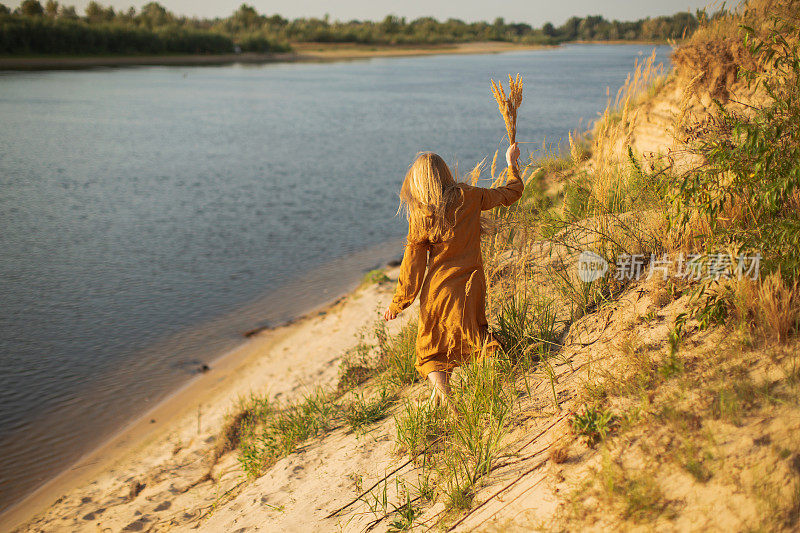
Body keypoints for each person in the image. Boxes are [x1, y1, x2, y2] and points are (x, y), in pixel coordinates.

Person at [384, 143, 523, 407]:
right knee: (476, 333)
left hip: (438, 290)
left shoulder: (422, 214)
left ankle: (445, 395)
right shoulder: (470, 196)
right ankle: (484, 387)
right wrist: (511, 164)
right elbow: (511, 193)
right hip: (471, 284)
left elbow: (413, 264)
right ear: (444, 173)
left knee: (430, 347)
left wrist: (399, 302)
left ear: (419, 183)